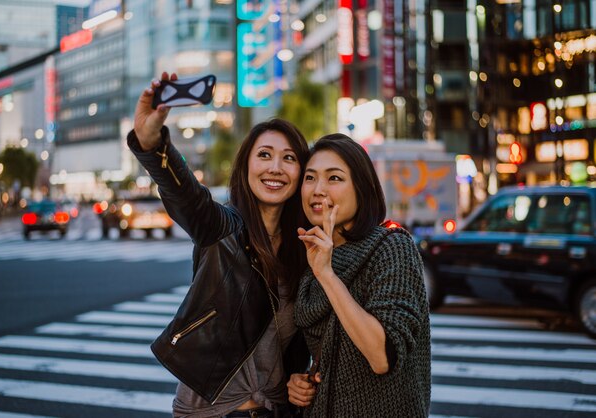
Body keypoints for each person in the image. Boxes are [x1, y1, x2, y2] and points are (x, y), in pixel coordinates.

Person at [128, 72, 310, 417]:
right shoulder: (224, 229)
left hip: (275, 409)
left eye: (289, 158)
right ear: (245, 167)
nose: (276, 167)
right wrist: (153, 146)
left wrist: (302, 378)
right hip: (215, 411)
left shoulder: (303, 248)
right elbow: (188, 199)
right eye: (265, 155)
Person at [286, 133, 431, 417]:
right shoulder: (311, 257)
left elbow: (382, 357)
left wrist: (327, 275)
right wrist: (298, 381)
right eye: (310, 177)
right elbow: (329, 355)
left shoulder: (391, 247)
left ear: (361, 188)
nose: (317, 189)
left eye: (334, 178)